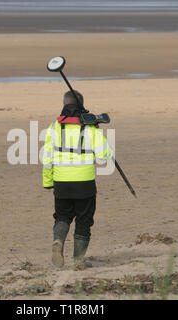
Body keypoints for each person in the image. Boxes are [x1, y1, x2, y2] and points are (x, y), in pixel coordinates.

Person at [42, 90, 113, 269]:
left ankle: (58, 240)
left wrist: (48, 182)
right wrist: (99, 134)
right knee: (84, 220)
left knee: (62, 216)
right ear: (82, 105)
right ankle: (79, 261)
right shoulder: (90, 126)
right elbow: (103, 155)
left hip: (61, 182)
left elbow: (47, 157)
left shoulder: (54, 126)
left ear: (64, 104)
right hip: (85, 183)